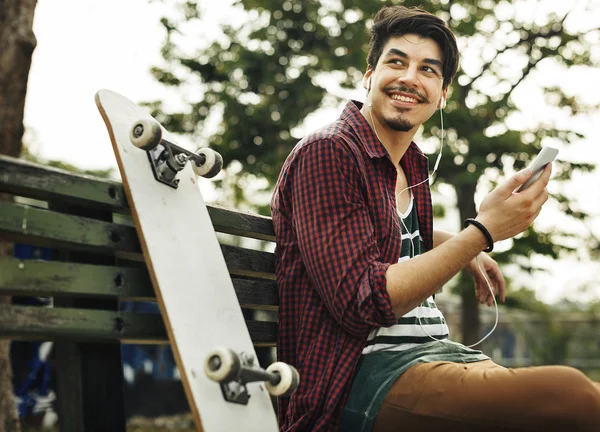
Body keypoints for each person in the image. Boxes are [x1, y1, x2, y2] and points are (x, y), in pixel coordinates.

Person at [270, 5, 600, 432]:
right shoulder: (329, 152)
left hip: (436, 355)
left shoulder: (411, 163)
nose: (410, 78)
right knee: (569, 397)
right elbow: (366, 302)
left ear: (442, 93)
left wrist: (454, 245)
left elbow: (385, 233)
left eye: (428, 70)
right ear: (369, 76)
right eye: (396, 62)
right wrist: (480, 233)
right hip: (357, 381)